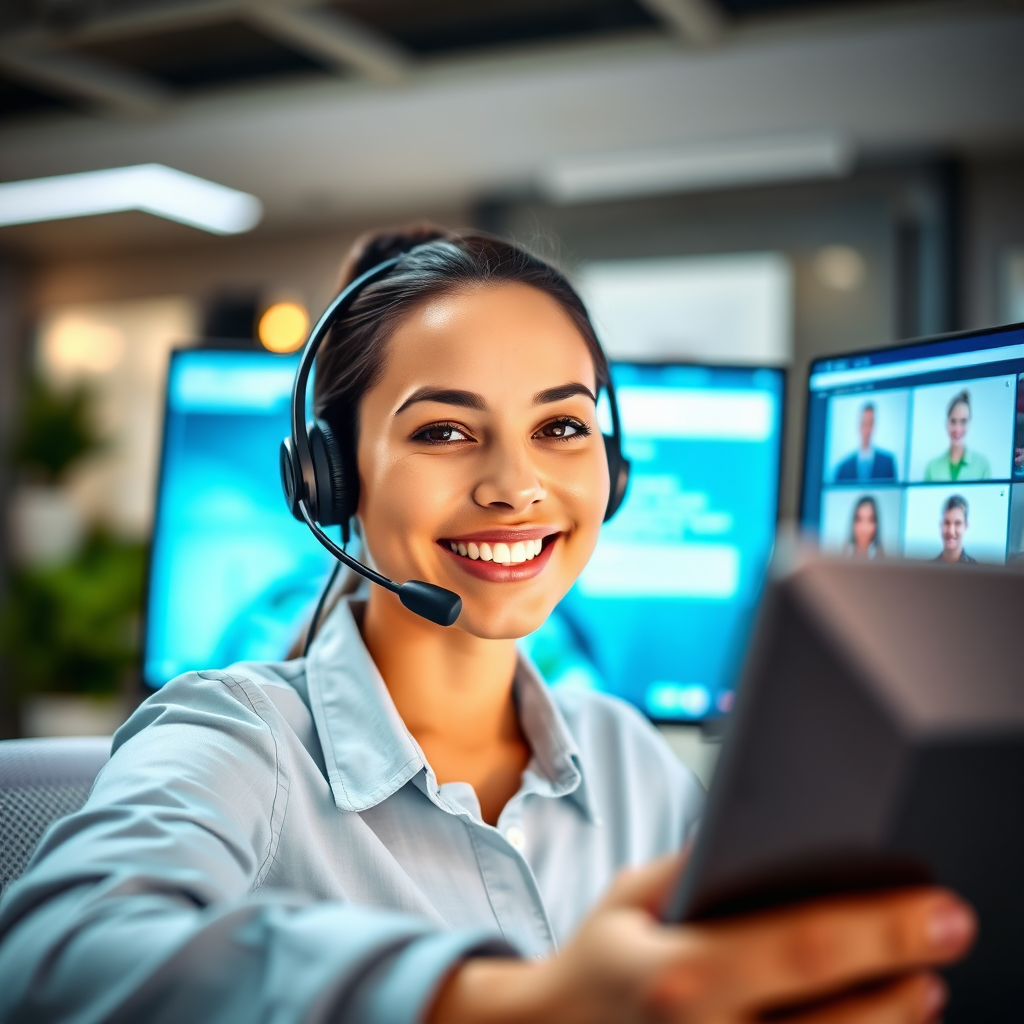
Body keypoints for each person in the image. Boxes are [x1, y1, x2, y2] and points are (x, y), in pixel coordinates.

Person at [0, 227, 975, 1024]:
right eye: (443, 430)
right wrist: (511, 1003)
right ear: (329, 479)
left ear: (614, 470)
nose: (516, 487)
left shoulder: (631, 765)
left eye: (561, 426)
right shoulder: (233, 735)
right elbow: (52, 960)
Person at [924, 389, 992, 481]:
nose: (957, 429)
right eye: (953, 421)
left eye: (963, 421)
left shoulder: (983, 465)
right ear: (946, 423)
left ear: (969, 423)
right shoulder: (932, 467)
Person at [834, 401, 898, 482]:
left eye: (870, 423)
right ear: (858, 425)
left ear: (874, 426)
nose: (867, 430)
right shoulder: (843, 467)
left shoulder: (887, 462)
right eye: (864, 423)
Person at [934, 493, 978, 564]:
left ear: (965, 526)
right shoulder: (928, 570)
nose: (951, 531)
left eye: (957, 523)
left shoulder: (977, 571)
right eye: (947, 523)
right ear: (940, 524)